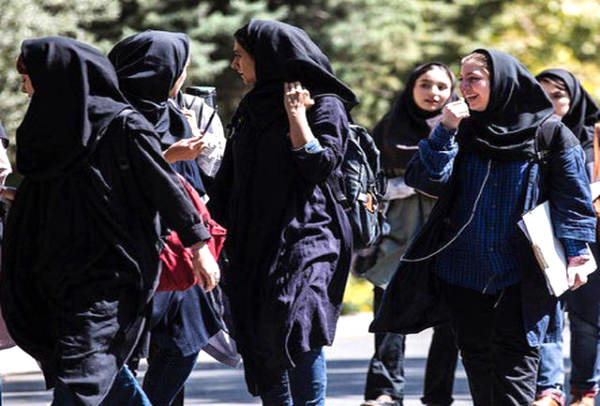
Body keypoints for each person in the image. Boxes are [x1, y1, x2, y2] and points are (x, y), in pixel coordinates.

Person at [0, 36, 219, 406]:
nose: (24, 88)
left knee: (82, 373)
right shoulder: (47, 129)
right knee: (86, 366)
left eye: (28, 78)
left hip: (109, 271)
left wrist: (199, 246)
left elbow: (165, 187)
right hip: (55, 271)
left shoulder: (123, 125)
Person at [371, 49, 596, 405]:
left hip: (522, 276)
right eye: (462, 79)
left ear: (502, 82)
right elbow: (425, 178)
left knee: (515, 374)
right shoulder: (462, 130)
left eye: (473, 79)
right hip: (463, 273)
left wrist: (577, 252)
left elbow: (573, 199)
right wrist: (445, 130)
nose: (464, 87)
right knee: (479, 368)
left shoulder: (550, 133)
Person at [209, 19, 356, 405]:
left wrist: (297, 118)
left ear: (267, 57)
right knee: (262, 340)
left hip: (309, 236)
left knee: (299, 327)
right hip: (254, 243)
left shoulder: (325, 103)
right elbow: (229, 180)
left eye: (240, 56)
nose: (234, 64)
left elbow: (320, 167)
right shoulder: (252, 106)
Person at [108, 30, 224, 406]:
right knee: (123, 354)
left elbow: (194, 184)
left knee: (183, 344)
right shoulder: (111, 117)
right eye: (180, 68)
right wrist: (168, 157)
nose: (183, 77)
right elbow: (111, 182)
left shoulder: (173, 114)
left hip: (180, 253)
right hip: (130, 254)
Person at [361, 62, 459, 406]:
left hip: (446, 234)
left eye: (442, 87)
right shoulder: (389, 128)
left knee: (448, 319)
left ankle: (438, 394)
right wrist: (407, 184)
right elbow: (368, 182)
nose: (433, 93)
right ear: (411, 88)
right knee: (389, 312)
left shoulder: (462, 128)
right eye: (425, 84)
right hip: (397, 237)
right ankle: (385, 390)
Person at [532, 68, 600, 406]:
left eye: (557, 95)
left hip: (590, 235)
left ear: (573, 99)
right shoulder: (527, 134)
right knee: (547, 314)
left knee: (587, 318)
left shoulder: (593, 138)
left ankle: (584, 389)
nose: (549, 102)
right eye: (542, 95)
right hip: (542, 232)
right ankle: (549, 389)